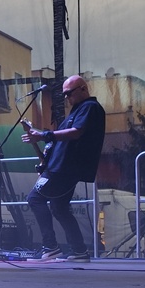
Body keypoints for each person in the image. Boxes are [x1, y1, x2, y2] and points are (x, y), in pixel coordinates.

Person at [22, 75, 106, 261]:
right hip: (61, 167)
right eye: (65, 95)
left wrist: (44, 135)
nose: (67, 98)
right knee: (59, 208)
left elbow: (76, 133)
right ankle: (79, 251)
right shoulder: (78, 110)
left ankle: (50, 247)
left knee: (35, 199)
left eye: (69, 93)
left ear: (83, 89)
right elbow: (62, 141)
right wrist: (45, 158)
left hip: (65, 169)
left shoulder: (90, 107)